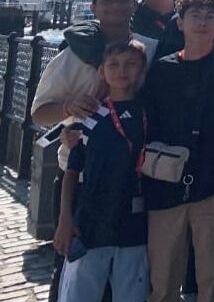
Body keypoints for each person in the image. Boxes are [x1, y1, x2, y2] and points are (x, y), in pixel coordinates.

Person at [31, 0, 159, 301]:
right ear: (94, 7)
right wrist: (67, 107)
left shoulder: (152, 49)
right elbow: (39, 113)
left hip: (134, 183)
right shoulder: (71, 55)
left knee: (128, 278)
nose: (116, 6)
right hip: (82, 177)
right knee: (74, 273)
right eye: (107, 0)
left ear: (135, 4)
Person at [141, 0, 214, 302]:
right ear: (180, 22)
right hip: (164, 184)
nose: (202, 22)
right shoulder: (160, 68)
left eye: (211, 16)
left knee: (212, 277)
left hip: (213, 183)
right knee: (162, 278)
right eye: (195, 15)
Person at [54, 41, 151, 302]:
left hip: (134, 224)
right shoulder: (89, 116)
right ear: (101, 71)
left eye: (130, 64)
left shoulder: (149, 113)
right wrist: (65, 218)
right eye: (114, 65)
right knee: (78, 294)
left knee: (132, 295)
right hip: (90, 222)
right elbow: (72, 172)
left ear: (142, 68)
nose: (122, 71)